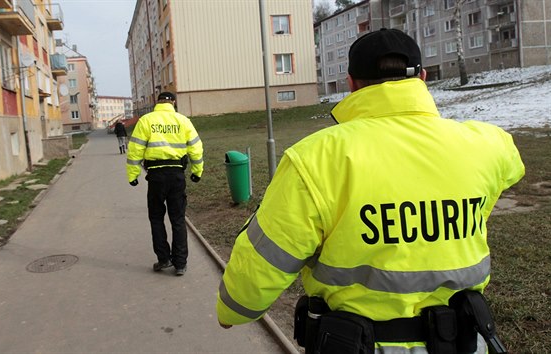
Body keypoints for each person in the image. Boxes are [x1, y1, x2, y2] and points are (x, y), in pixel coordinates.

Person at [216, 28, 525, 353]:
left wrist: (232, 309)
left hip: (355, 344)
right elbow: (512, 167)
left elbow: (264, 260)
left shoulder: (314, 159)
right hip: (462, 343)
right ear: (422, 76)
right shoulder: (487, 145)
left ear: (351, 83)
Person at [126, 92, 203, 276]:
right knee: (177, 219)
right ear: (173, 102)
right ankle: (180, 264)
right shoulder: (183, 121)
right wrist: (197, 172)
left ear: (157, 102)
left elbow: (135, 149)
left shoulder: (146, 121)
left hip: (156, 177)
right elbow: (196, 148)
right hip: (177, 175)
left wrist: (133, 175)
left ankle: (164, 259)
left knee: (156, 218)